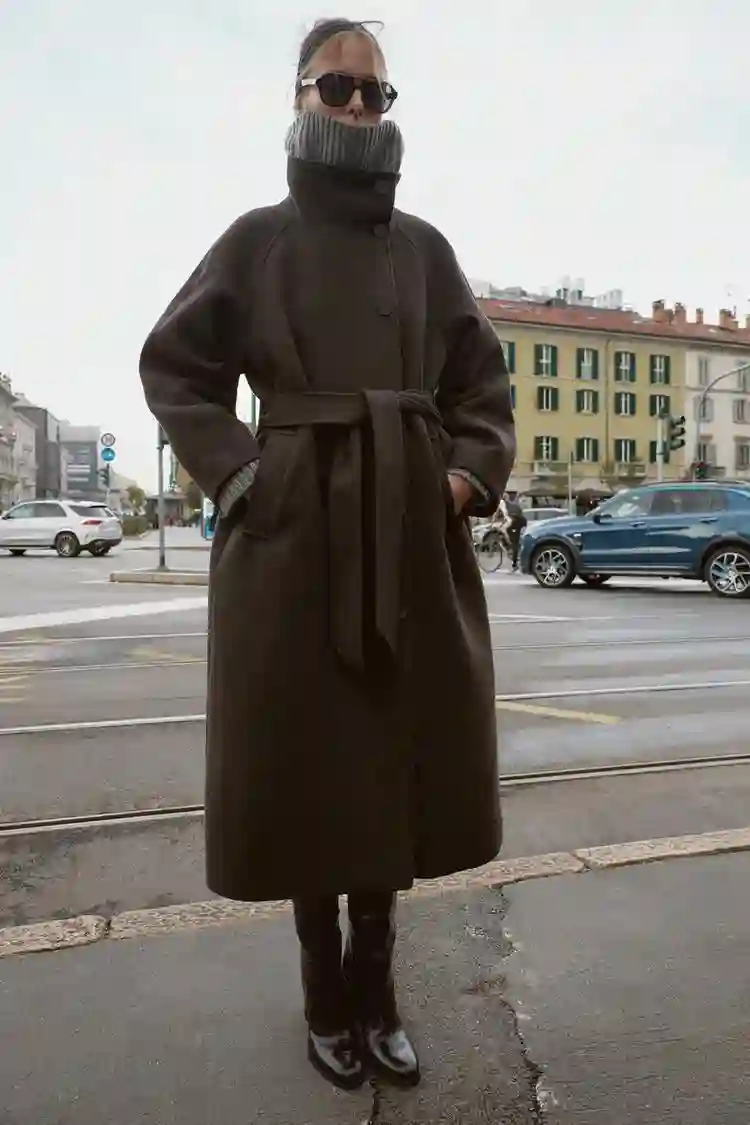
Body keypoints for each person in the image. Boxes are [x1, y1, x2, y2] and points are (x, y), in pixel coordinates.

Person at [139, 17, 515, 1092]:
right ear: (298, 98)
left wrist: (459, 480)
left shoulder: (426, 250)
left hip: (407, 533)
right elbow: (176, 366)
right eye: (335, 88)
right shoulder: (256, 239)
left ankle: (377, 987)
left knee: (391, 761)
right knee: (309, 764)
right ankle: (322, 993)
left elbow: (483, 390)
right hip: (291, 539)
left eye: (372, 93)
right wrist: (244, 479)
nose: (355, 107)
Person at [493, 492, 526, 570]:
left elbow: (498, 515)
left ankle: (514, 563)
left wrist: (494, 521)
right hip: (517, 523)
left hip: (516, 523)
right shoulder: (512, 505)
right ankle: (510, 549)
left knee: (514, 543)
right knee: (511, 537)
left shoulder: (506, 505)